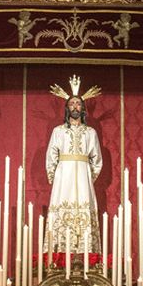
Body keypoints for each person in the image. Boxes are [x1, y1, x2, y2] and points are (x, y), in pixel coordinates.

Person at [45, 85, 104, 253]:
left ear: (83, 108)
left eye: (78, 104)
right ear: (67, 108)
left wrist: (87, 177)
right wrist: (55, 177)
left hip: (83, 178)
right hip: (63, 178)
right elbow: (51, 156)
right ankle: (59, 251)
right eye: (72, 104)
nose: (75, 107)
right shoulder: (58, 132)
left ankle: (86, 252)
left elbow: (97, 159)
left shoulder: (90, 133)